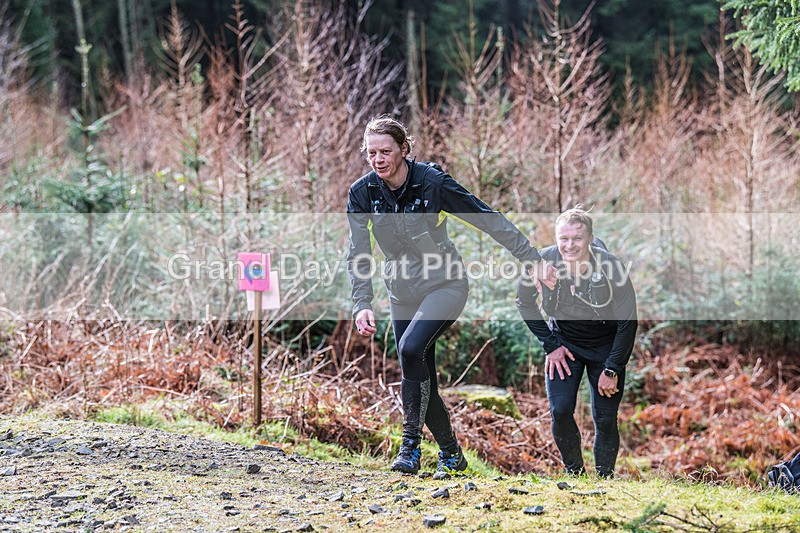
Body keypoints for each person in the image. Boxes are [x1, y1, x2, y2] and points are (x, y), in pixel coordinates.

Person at [347, 116, 555, 475]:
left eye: (385, 151)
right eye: (371, 153)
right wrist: (362, 301)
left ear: (404, 150)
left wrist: (531, 259)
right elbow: (359, 251)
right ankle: (451, 455)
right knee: (418, 371)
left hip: (445, 284)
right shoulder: (362, 192)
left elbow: (486, 218)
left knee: (410, 350)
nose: (378, 159)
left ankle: (409, 447)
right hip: (402, 290)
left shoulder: (432, 183)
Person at [516, 207, 637, 478]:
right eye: (564, 239)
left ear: (591, 239)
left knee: (605, 419)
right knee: (560, 411)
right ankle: (575, 474)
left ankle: (605, 480)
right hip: (563, 344)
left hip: (605, 346)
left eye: (577, 239)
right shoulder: (543, 262)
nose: (570, 245)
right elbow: (523, 302)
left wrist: (613, 368)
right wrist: (550, 345)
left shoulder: (611, 267)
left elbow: (628, 321)